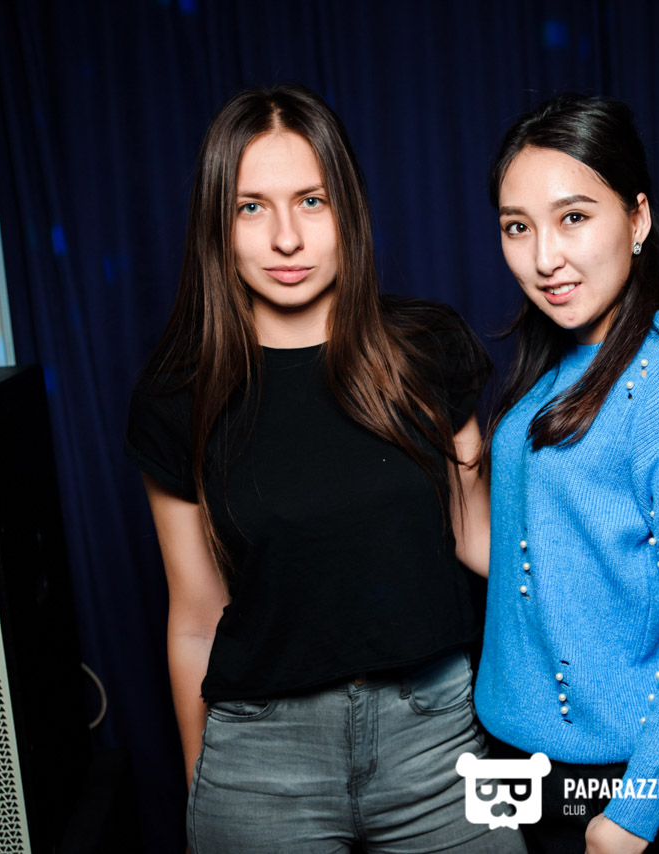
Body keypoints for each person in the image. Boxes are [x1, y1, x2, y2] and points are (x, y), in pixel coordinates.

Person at [125, 84, 522, 853]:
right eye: (251, 207)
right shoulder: (179, 395)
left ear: (348, 209)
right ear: (217, 225)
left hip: (437, 739)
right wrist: (202, 789)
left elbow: (485, 539)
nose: (286, 238)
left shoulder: (427, 347)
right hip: (260, 763)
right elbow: (195, 619)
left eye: (311, 201)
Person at [471, 94, 659, 854]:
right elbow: (531, 557)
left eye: (573, 217)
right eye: (517, 227)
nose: (544, 257)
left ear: (638, 219)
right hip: (515, 763)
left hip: (611, 778)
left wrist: (633, 814)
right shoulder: (555, 364)